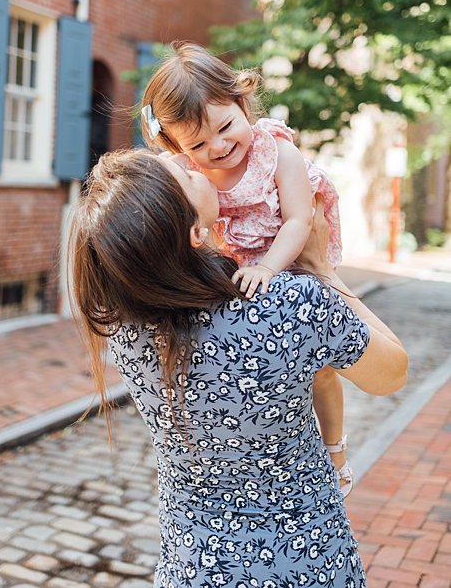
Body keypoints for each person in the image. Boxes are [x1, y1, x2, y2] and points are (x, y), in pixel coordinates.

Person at [66, 148, 407, 586]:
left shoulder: (127, 332)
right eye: (185, 176)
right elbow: (393, 372)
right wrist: (323, 270)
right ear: (192, 232)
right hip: (307, 561)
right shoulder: (289, 305)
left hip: (192, 566)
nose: (193, 164)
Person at [139, 42, 354, 492]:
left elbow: (299, 220)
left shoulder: (276, 153)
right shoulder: (187, 170)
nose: (217, 147)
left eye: (226, 127)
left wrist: (271, 268)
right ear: (176, 144)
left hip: (290, 263)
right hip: (236, 278)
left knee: (322, 368)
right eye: (197, 142)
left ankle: (335, 447)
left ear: (242, 100)